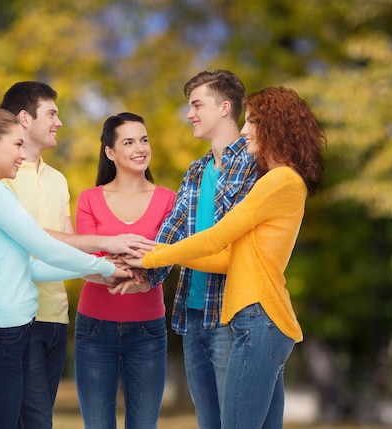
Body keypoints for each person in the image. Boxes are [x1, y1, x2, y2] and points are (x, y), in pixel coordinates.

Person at [120, 86, 327, 429]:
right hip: (256, 320)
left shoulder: (280, 181)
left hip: (259, 318)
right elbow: (223, 257)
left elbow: (217, 236)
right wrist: (155, 253)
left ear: (276, 127)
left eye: (254, 122)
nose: (245, 130)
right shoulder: (276, 180)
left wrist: (151, 260)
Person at [0, 108, 132, 429]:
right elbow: (43, 247)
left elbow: (30, 266)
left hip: (8, 334)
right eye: (16, 145)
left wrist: (101, 273)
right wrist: (104, 262)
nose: (21, 154)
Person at [0, 82, 156, 429]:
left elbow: (70, 247)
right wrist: (110, 247)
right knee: (35, 421)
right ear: (25, 119)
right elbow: (27, 240)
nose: (59, 122)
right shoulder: (1, 176)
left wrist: (110, 274)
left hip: (56, 319)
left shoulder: (57, 179)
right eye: (52, 113)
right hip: (16, 318)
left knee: (38, 418)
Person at [145, 70, 257, 429]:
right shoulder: (195, 170)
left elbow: (229, 242)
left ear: (225, 107)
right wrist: (142, 273)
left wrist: (160, 258)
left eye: (196, 104)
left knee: (235, 422)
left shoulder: (253, 166)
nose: (189, 114)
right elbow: (173, 230)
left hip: (231, 315)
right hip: (192, 316)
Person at [74, 112, 175, 429]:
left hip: (148, 331)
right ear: (110, 152)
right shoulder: (89, 198)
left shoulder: (168, 199)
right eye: (128, 142)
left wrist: (126, 269)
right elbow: (82, 258)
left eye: (144, 140)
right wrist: (129, 263)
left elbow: (168, 256)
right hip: (94, 329)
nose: (140, 148)